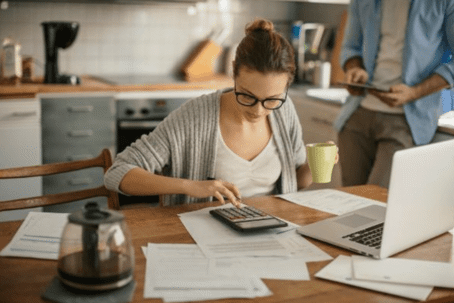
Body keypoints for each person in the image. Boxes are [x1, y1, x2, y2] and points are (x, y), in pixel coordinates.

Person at [104, 18, 338, 207]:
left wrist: (314, 165)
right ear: (234, 72)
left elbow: (296, 181)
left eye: (271, 100)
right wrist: (190, 186)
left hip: (272, 231)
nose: (258, 110)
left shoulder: (284, 111)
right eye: (247, 96)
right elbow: (118, 173)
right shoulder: (195, 117)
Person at [334, 0, 454, 188]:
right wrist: (355, 69)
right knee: (350, 201)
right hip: (356, 115)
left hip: (406, 121)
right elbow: (350, 46)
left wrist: (414, 92)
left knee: (379, 207)